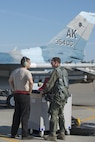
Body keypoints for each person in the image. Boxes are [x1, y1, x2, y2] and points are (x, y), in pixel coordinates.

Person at [41, 57, 69, 141]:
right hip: (64, 95)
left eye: (52, 62)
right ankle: (62, 133)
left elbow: (50, 84)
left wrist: (43, 91)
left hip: (57, 96)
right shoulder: (64, 71)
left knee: (54, 113)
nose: (51, 64)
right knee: (61, 114)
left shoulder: (56, 71)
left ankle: (52, 135)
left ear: (56, 62)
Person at [8, 56, 34, 140]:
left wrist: (13, 89)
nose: (30, 64)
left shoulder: (15, 71)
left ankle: (13, 133)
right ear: (26, 63)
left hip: (16, 94)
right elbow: (31, 82)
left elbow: (10, 80)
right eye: (29, 63)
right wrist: (30, 91)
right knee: (25, 115)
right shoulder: (27, 72)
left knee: (17, 114)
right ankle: (24, 134)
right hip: (24, 94)